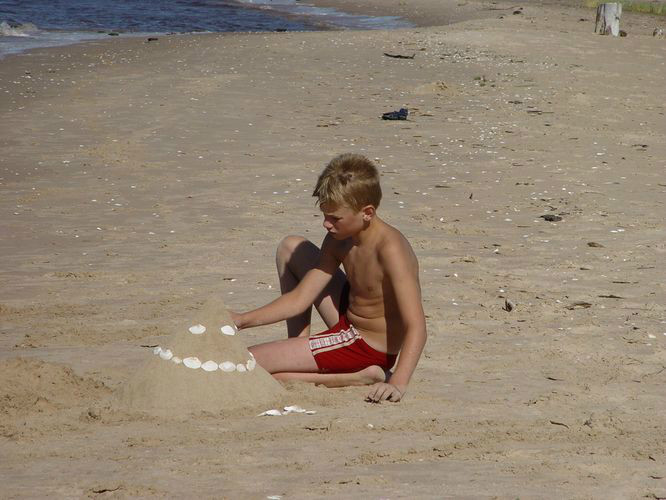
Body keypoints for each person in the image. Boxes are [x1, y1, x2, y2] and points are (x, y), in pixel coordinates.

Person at [231, 153, 426, 402]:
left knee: (248, 362)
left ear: (367, 212)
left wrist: (399, 382)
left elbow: (417, 326)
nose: (326, 224)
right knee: (291, 247)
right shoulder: (339, 238)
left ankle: (358, 375)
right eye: (324, 215)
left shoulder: (391, 250)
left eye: (335, 218)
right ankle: (299, 347)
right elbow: (301, 298)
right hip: (349, 315)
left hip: (367, 345)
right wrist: (241, 320)